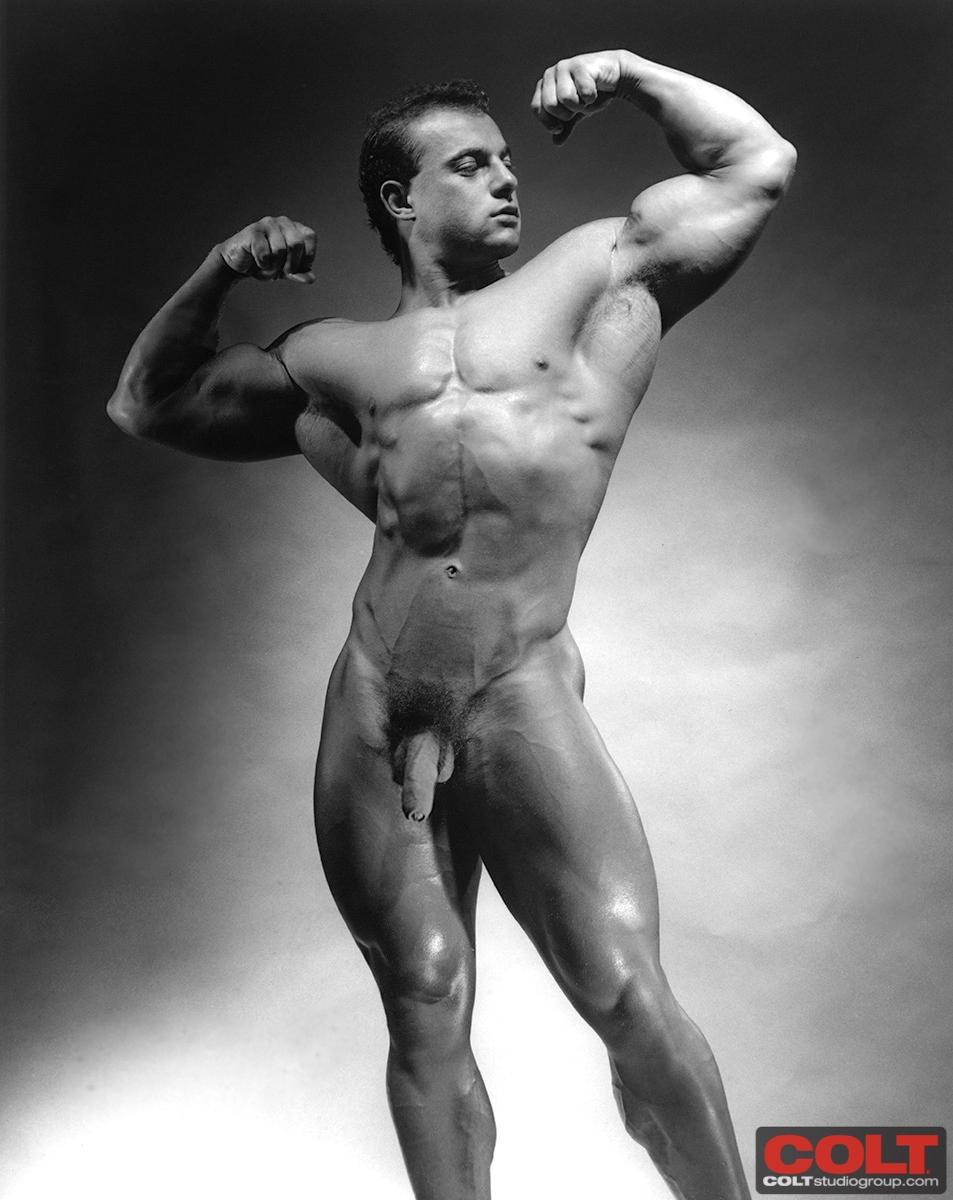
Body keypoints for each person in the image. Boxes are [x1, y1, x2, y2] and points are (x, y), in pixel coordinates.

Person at [107, 48, 795, 1200]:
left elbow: (753, 164)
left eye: (505, 161)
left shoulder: (593, 276)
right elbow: (150, 401)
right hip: (375, 702)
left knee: (627, 997)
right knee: (424, 1002)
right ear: (401, 199)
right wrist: (220, 269)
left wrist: (628, 73)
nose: (505, 179)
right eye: (469, 165)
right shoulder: (330, 357)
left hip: (517, 688)